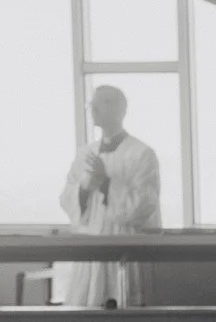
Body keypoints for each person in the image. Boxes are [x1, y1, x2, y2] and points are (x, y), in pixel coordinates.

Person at [58, 85, 161, 308]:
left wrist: (106, 183)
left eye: (102, 102)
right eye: (92, 103)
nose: (93, 108)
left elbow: (144, 205)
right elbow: (68, 197)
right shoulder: (86, 153)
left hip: (124, 244)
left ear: (120, 110)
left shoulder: (141, 153)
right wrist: (85, 188)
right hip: (93, 242)